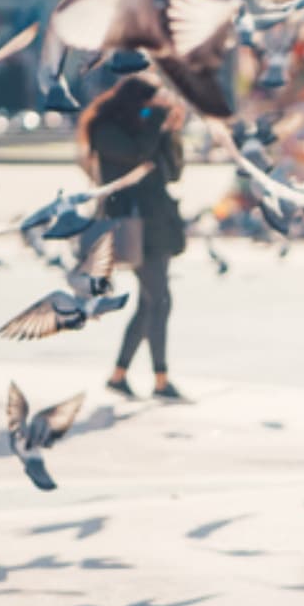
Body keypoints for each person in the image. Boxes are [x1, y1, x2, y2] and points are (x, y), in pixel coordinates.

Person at [79, 75, 188, 401]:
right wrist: (155, 121)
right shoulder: (106, 129)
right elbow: (136, 154)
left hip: (157, 223)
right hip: (131, 224)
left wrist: (172, 131)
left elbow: (174, 171)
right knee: (160, 300)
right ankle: (160, 379)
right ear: (137, 103)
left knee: (150, 303)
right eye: (152, 104)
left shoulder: (149, 128)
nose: (157, 111)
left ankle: (120, 374)